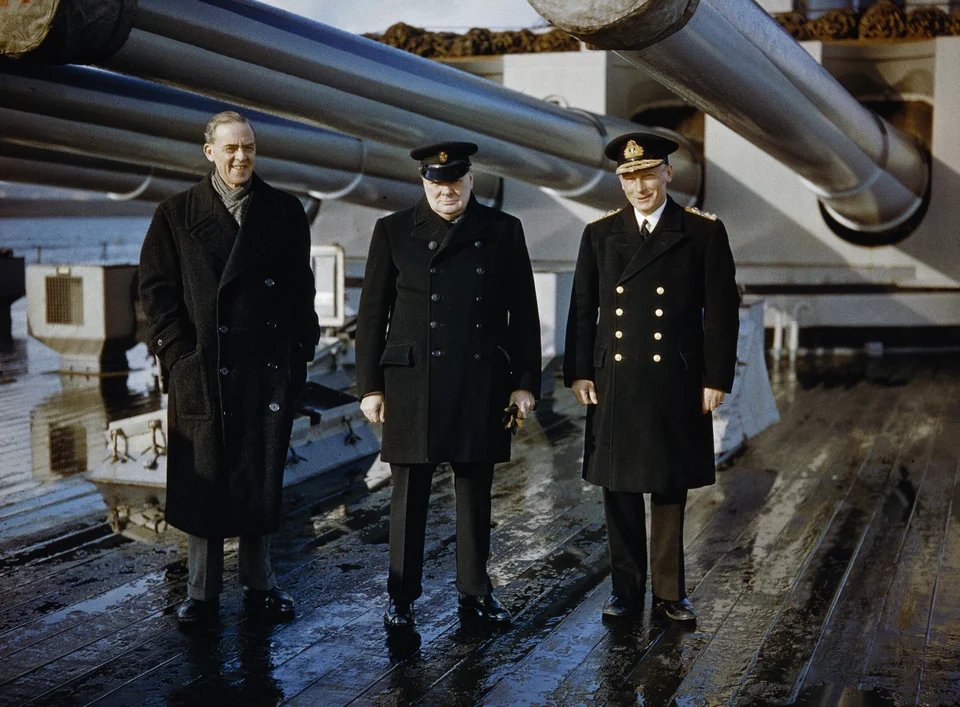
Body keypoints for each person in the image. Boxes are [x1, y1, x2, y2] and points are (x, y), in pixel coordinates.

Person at [139, 111, 320, 626]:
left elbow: (300, 290)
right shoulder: (175, 214)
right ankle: (202, 594)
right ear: (210, 152)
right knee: (205, 480)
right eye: (232, 148)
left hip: (266, 371)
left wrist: (299, 350)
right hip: (204, 369)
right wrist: (179, 356)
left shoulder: (284, 211)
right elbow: (156, 292)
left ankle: (262, 586)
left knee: (259, 476)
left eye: (249, 148)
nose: (242, 157)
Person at [356, 141, 541, 628]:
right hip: (413, 380)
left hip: (480, 378)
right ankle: (400, 597)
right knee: (408, 495)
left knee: (475, 491)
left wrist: (524, 382)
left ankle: (476, 592)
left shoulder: (502, 230)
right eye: (437, 183)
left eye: (455, 182)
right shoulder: (393, 230)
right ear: (424, 182)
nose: (446, 191)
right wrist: (370, 386)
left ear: (471, 180)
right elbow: (373, 314)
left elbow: (523, 313)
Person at [563, 132, 739, 622]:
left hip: (674, 378)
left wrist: (716, 378)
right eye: (629, 177)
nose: (639, 187)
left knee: (668, 486)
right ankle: (625, 592)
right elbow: (583, 308)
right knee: (618, 487)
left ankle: (669, 593)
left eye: (647, 175)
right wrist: (578, 371)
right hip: (615, 379)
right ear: (620, 182)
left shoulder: (701, 232)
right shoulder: (600, 234)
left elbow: (721, 312)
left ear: (668, 174)